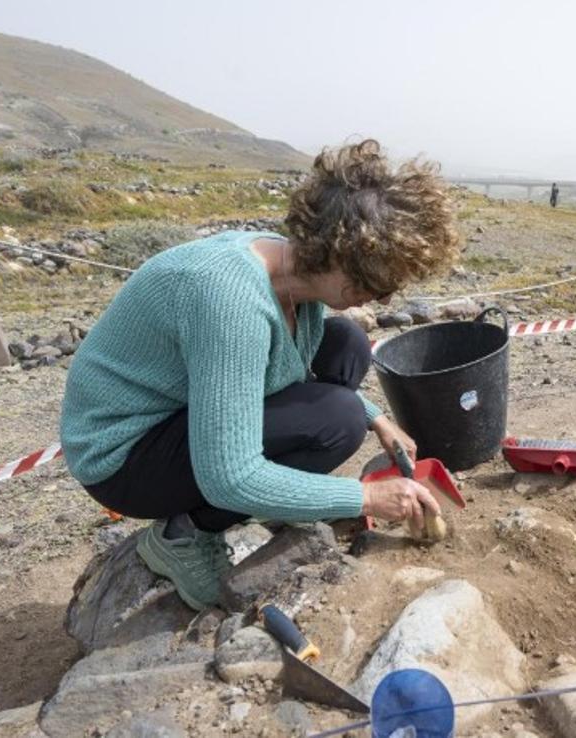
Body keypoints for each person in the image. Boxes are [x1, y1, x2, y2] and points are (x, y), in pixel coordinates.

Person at [59, 139, 462, 610]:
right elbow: (229, 477)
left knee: (348, 344)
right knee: (337, 420)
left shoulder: (290, 269)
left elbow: (293, 363)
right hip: (123, 454)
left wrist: (378, 418)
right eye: (376, 281)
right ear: (338, 256)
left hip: (178, 411)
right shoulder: (229, 300)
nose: (382, 297)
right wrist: (366, 499)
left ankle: (279, 495)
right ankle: (182, 535)